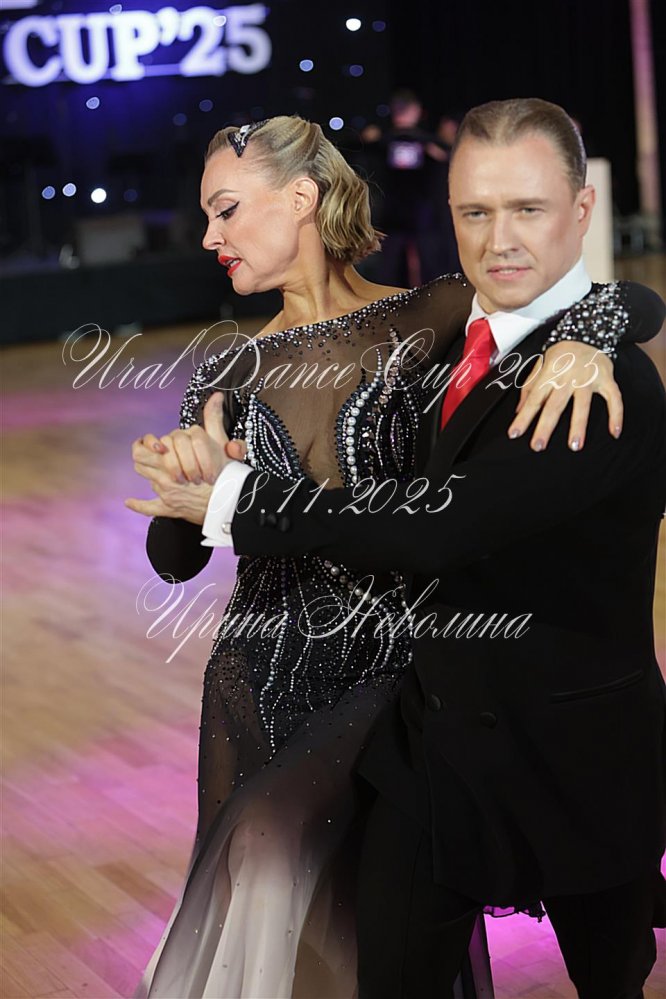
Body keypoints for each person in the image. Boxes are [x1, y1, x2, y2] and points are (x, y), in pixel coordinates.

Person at [125, 111, 664, 999]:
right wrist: (186, 483)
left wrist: (593, 331)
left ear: (301, 198)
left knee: (364, 899)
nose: (211, 236)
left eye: (226, 209)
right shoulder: (227, 371)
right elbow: (173, 558)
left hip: (395, 667)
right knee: (279, 901)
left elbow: (594, 299)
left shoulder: (430, 313)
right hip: (263, 673)